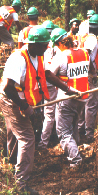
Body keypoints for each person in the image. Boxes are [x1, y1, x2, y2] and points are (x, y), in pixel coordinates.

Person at [0, 25, 78, 195]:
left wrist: (68, 89)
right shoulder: (18, 58)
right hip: (9, 98)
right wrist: (25, 107)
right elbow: (8, 89)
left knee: (15, 132)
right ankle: (21, 184)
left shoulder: (37, 55)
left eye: (47, 44)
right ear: (32, 44)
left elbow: (47, 75)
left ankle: (11, 165)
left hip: (18, 97)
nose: (47, 48)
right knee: (27, 138)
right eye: (43, 45)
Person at [50, 28, 90, 167]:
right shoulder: (85, 53)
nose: (56, 47)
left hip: (66, 98)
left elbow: (49, 74)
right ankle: (75, 151)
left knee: (63, 132)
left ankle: (75, 160)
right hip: (82, 97)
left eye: (56, 44)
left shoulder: (61, 56)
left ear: (61, 43)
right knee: (73, 127)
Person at [78, 14, 98, 143]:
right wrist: (92, 71)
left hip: (83, 73)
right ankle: (89, 134)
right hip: (87, 74)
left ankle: (80, 129)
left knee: (84, 101)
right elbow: (86, 55)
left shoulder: (86, 37)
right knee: (91, 103)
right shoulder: (92, 39)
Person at [38, 20, 58, 150]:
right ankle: (43, 143)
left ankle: (44, 138)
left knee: (44, 112)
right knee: (49, 114)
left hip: (39, 82)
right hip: (48, 82)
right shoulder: (52, 47)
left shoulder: (40, 45)